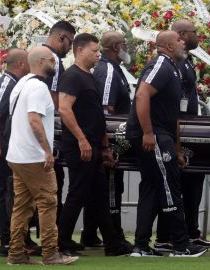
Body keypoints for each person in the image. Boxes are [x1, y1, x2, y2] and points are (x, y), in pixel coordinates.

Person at [126, 30, 208, 257]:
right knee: (170, 188)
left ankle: (141, 246)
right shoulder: (161, 65)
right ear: (169, 46)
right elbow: (142, 95)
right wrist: (148, 132)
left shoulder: (173, 68)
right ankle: (181, 246)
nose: (184, 42)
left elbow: (173, 115)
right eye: (179, 40)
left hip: (163, 136)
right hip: (154, 136)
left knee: (151, 189)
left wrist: (178, 148)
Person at [57, 33, 132, 257]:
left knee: (98, 195)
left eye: (99, 50)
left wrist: (105, 145)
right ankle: (61, 241)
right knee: (78, 193)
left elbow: (96, 114)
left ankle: (112, 243)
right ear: (79, 50)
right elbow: (64, 109)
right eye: (93, 50)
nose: (98, 54)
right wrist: (81, 139)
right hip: (81, 145)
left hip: (93, 144)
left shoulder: (88, 76)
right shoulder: (73, 77)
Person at [5, 46, 78, 265]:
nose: (55, 66)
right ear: (40, 62)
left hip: (17, 155)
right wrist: (47, 151)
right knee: (48, 203)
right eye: (52, 62)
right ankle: (50, 253)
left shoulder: (21, 84)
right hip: (33, 156)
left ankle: (16, 253)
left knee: (22, 206)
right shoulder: (37, 87)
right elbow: (34, 120)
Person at [155, 19, 210, 252]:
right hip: (174, 129)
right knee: (174, 184)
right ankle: (167, 236)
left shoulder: (186, 61)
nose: (198, 36)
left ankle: (191, 231)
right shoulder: (171, 63)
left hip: (187, 128)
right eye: (193, 32)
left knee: (193, 182)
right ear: (179, 35)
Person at [0, 48, 39, 257]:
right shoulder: (6, 84)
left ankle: (21, 239)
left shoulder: (17, 84)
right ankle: (7, 242)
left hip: (14, 149)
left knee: (19, 195)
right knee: (8, 194)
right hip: (6, 150)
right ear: (21, 64)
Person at [81, 31, 133, 248]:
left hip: (110, 138)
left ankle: (91, 235)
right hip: (110, 139)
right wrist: (106, 145)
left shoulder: (115, 69)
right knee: (112, 187)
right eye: (124, 44)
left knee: (102, 188)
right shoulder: (109, 71)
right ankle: (115, 234)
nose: (127, 48)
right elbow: (105, 111)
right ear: (114, 47)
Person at [43, 20, 76, 226]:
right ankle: (55, 237)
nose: (70, 48)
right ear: (61, 38)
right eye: (70, 43)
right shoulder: (53, 58)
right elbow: (55, 97)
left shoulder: (37, 53)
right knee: (54, 184)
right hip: (48, 130)